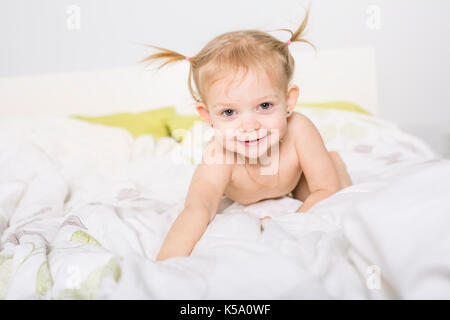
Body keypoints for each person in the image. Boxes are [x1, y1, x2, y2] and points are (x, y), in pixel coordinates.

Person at [140, 7, 352, 261]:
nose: (249, 126)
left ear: (288, 101)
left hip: (294, 185)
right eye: (229, 112)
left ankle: (334, 161)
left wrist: (286, 226)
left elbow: (325, 189)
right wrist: (168, 262)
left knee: (334, 194)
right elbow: (199, 207)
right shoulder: (219, 155)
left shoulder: (299, 130)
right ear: (208, 117)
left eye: (264, 106)